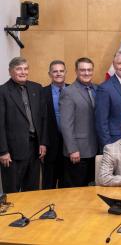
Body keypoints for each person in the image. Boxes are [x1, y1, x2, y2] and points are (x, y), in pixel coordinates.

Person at [0, 57, 47, 193]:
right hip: (12, 153)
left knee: (32, 191)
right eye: (19, 69)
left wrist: (43, 143)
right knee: (13, 192)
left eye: (25, 69)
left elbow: (43, 118)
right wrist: (3, 151)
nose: (23, 72)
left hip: (35, 149)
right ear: (10, 71)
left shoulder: (36, 88)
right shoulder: (2, 92)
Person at [60, 58, 99, 187]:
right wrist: (72, 149)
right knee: (76, 191)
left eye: (89, 70)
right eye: (82, 70)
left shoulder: (98, 89)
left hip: (96, 150)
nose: (86, 73)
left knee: (92, 189)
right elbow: (66, 124)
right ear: (76, 71)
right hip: (78, 152)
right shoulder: (68, 92)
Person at [42, 60, 68, 189]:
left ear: (66, 73)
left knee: (68, 187)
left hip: (70, 147)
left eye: (61, 71)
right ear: (49, 74)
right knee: (48, 186)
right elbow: (39, 121)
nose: (58, 74)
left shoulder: (74, 90)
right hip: (50, 147)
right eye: (55, 71)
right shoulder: (41, 93)